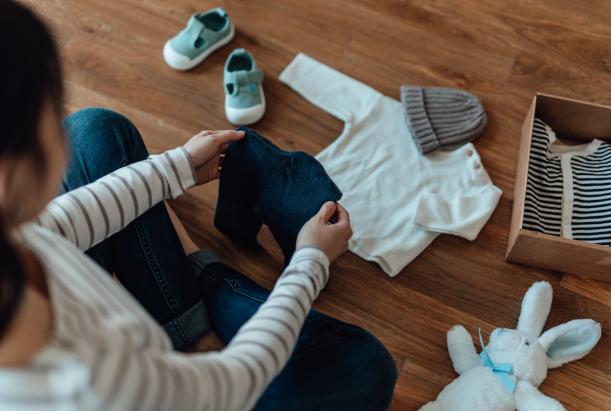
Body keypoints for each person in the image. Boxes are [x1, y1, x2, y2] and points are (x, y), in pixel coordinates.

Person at [0, 1, 397, 410]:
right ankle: (197, 289)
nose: (57, 136)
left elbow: (61, 223)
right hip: (185, 393)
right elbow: (230, 383)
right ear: (14, 170)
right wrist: (311, 260)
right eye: (49, 119)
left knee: (94, 132)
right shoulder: (86, 383)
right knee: (363, 367)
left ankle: (187, 317)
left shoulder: (9, 230)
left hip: (141, 360)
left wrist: (178, 167)